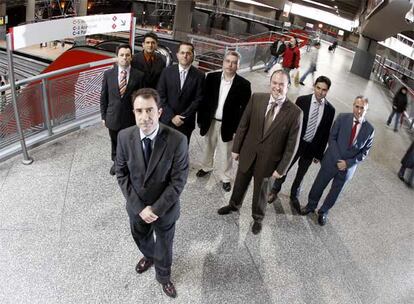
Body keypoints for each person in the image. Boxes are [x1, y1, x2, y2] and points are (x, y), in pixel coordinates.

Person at [115, 88, 189, 298]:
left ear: (160, 112)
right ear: (134, 113)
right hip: (136, 207)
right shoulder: (123, 136)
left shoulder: (177, 140)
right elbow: (121, 174)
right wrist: (140, 209)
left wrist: (155, 209)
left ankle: (164, 276)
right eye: (139, 111)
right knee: (140, 236)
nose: (144, 116)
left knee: (164, 245)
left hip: (164, 210)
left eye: (150, 110)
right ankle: (149, 255)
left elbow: (178, 181)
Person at [217, 70, 303, 234]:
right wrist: (236, 148)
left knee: (261, 192)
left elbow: (292, 145)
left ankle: (258, 218)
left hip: (270, 161)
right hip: (248, 152)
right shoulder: (257, 98)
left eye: (281, 84)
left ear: (288, 86)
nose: (277, 87)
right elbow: (244, 124)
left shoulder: (295, 112)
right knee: (240, 182)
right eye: (274, 83)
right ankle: (233, 205)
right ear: (270, 83)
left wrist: (281, 169)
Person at [301, 96, 375, 226]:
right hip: (331, 161)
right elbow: (332, 138)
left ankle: (323, 211)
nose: (358, 110)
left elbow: (364, 152)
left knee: (335, 192)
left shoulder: (370, 130)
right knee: (319, 184)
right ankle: (311, 205)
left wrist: (348, 163)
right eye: (356, 106)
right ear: (353, 106)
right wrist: (338, 159)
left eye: (362, 108)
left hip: (347, 168)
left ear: (366, 110)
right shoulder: (342, 118)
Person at [268, 76, 335, 210]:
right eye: (318, 88)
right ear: (314, 86)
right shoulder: (302, 100)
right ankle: (275, 189)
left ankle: (294, 195)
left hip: (311, 147)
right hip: (296, 143)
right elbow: (291, 123)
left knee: (301, 173)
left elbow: (325, 133)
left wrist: (319, 154)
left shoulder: (330, 110)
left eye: (324, 90)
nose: (320, 92)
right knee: (285, 168)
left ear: (327, 91)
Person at [196, 51, 252, 192]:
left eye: (234, 62)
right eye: (228, 61)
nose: (230, 64)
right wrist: (201, 119)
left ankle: (225, 177)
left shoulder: (244, 84)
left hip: (228, 124)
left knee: (226, 152)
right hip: (210, 120)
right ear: (223, 62)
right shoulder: (211, 78)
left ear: (238, 65)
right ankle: (206, 167)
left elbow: (245, 110)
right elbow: (204, 100)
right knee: (208, 146)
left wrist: (237, 130)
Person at [100, 44, 144, 175]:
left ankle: (127, 163)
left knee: (129, 143)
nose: (125, 58)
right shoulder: (108, 74)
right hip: (112, 116)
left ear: (131, 57)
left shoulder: (139, 75)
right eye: (122, 55)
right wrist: (103, 116)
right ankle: (116, 162)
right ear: (117, 57)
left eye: (127, 55)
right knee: (114, 142)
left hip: (130, 118)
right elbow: (104, 97)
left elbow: (141, 99)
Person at [157, 42, 204, 143]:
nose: (185, 55)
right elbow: (160, 96)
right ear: (177, 55)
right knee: (162, 153)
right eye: (182, 53)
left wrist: (183, 117)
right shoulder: (166, 72)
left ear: (193, 56)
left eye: (188, 53)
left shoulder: (199, 76)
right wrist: (172, 117)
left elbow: (198, 99)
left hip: (185, 124)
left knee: (180, 155)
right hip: (166, 121)